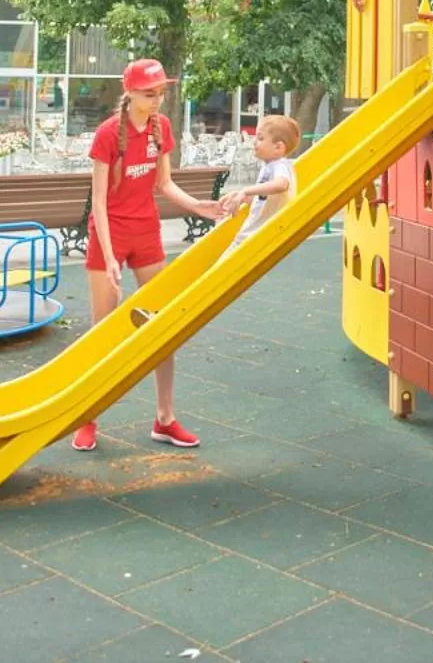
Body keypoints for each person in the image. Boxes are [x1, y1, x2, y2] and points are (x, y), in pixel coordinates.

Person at [71, 59, 222, 453]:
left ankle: (165, 418)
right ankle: (87, 416)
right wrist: (107, 257)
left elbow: (165, 183)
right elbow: (99, 203)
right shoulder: (108, 134)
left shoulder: (161, 127)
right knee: (102, 333)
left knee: (162, 327)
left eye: (161, 92)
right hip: (110, 233)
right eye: (149, 93)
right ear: (130, 93)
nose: (157, 100)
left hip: (146, 232)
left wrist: (199, 207)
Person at [219, 114, 300, 251]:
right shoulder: (268, 167)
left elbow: (282, 185)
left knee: (222, 270)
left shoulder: (280, 166)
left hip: (257, 236)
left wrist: (246, 190)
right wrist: (241, 196)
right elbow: (263, 200)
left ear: (278, 147)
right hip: (250, 235)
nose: (254, 142)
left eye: (260, 138)